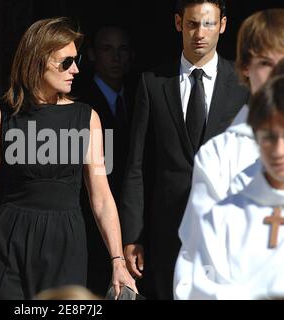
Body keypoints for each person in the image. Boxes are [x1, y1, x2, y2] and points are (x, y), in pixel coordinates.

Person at [0, 17, 136, 300]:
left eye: (75, 60)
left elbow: (101, 196)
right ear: (37, 60)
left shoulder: (86, 118)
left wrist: (117, 261)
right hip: (10, 239)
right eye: (65, 62)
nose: (75, 69)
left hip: (66, 239)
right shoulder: (0, 117)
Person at [119, 0, 249, 299]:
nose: (200, 33)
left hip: (227, 228)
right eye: (192, 24)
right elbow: (136, 166)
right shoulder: (152, 83)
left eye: (209, 24)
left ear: (223, 25)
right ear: (179, 23)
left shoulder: (242, 85)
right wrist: (133, 236)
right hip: (167, 231)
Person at [175, 8, 284, 300]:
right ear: (245, 66)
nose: (276, 75)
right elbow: (200, 260)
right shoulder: (219, 155)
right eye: (265, 63)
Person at [72, 23, 137, 296]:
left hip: (130, 212)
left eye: (122, 49)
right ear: (92, 54)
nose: (116, 57)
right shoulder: (77, 100)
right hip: (88, 215)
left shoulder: (138, 94)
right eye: (107, 49)